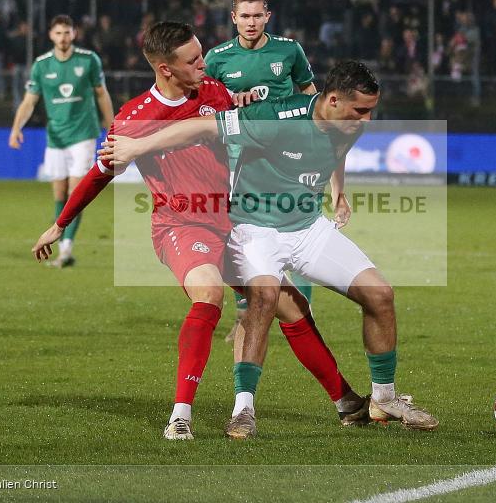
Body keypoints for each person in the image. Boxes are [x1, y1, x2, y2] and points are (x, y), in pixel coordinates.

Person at [32, 22, 368, 441]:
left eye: (201, 53)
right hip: (181, 223)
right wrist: (59, 224)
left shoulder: (214, 92)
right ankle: (180, 415)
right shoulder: (134, 118)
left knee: (291, 305)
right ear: (165, 69)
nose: (203, 63)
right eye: (192, 60)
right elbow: (100, 173)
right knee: (208, 294)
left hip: (234, 220)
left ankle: (348, 403)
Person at [100, 60, 438, 439]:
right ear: (331, 101)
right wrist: (139, 145)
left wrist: (338, 192)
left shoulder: (349, 123)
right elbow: (202, 126)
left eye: (371, 110)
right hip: (254, 229)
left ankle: (384, 398)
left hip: (308, 228)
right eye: (360, 110)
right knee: (262, 299)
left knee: (380, 295)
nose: (368, 119)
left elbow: (335, 151)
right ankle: (243, 410)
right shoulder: (275, 117)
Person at [204, 0, 318, 343]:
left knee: (298, 231)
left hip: (288, 157)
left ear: (267, 16)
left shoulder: (288, 50)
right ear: (233, 18)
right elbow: (205, 105)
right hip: (239, 159)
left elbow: (309, 93)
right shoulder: (217, 57)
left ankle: (301, 318)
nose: (251, 23)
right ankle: (248, 311)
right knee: (242, 235)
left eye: (258, 15)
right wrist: (229, 101)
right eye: (245, 16)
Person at [10, 15, 114, 268]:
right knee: (59, 193)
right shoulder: (42, 65)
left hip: (83, 135)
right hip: (55, 137)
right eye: (58, 33)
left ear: (74, 34)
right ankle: (62, 245)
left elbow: (102, 94)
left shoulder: (88, 60)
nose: (63, 38)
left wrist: (113, 127)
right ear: (51, 36)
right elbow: (29, 101)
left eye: (67, 33)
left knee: (75, 192)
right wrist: (16, 128)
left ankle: (66, 249)